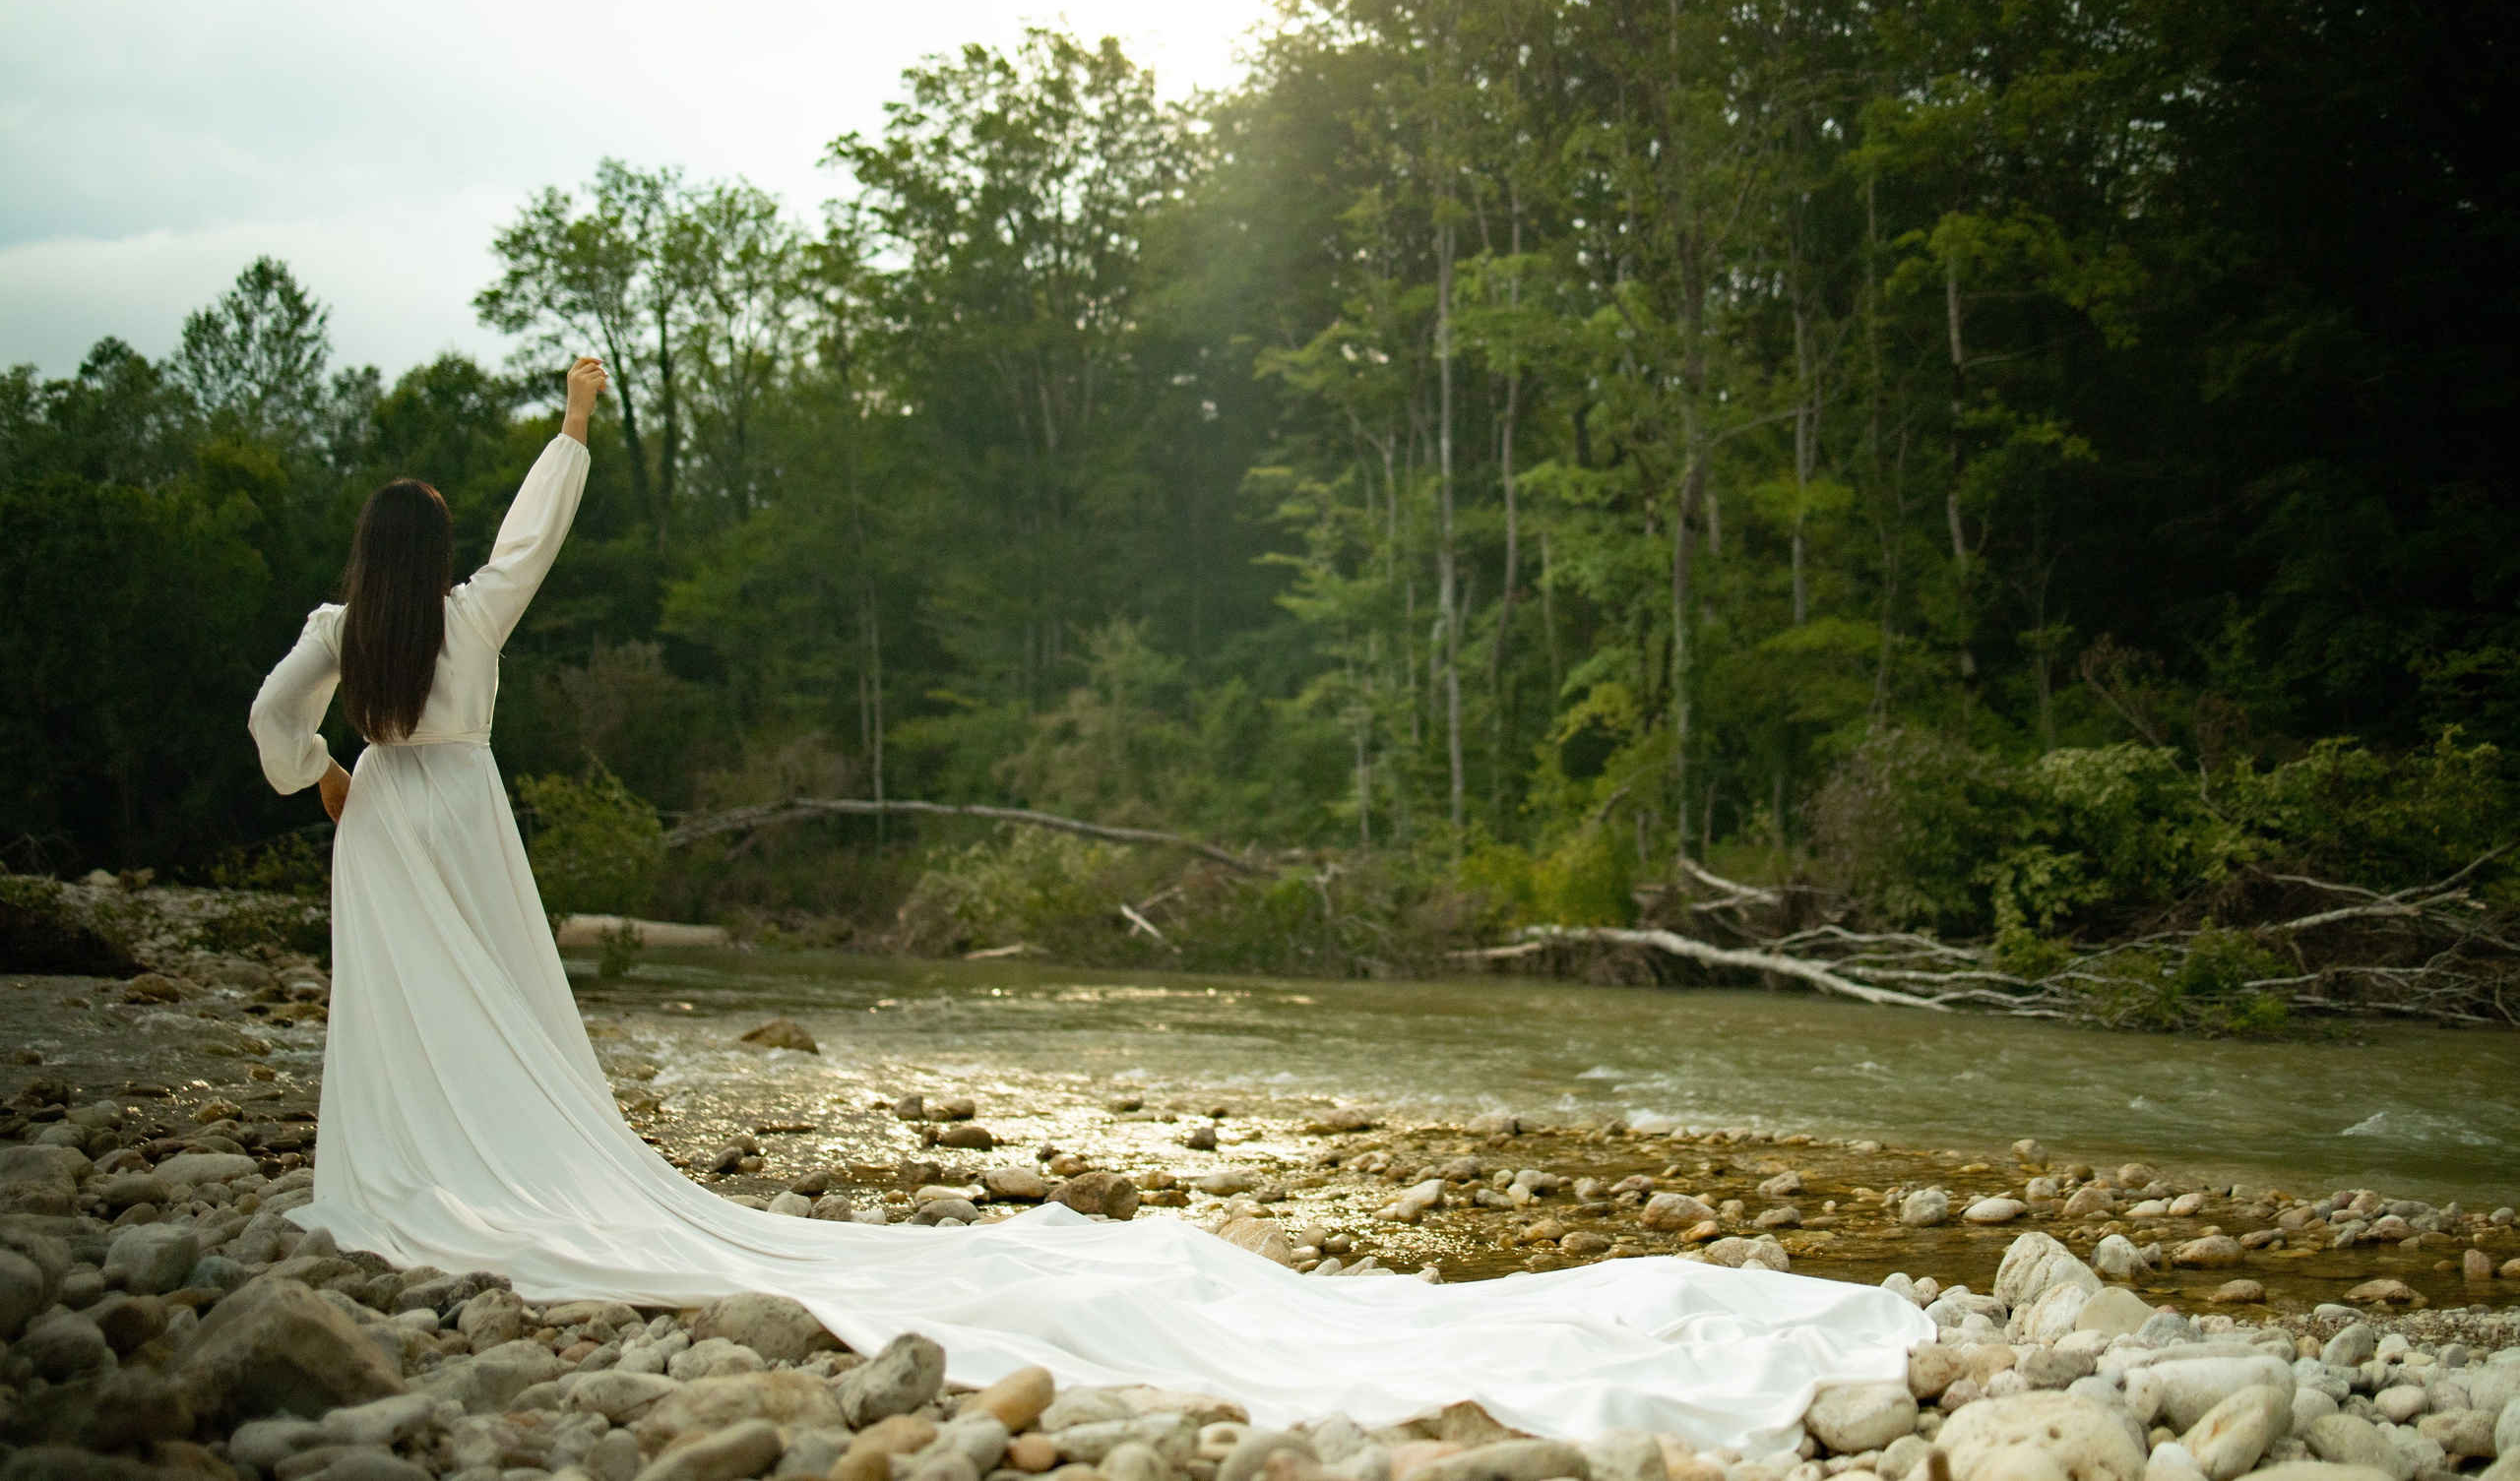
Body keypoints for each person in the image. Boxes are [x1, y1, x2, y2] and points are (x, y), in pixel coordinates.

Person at [248, 355, 1928, 1446]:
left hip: (390, 827)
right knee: (511, 1018)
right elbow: (536, 542)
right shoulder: (467, 618)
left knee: (413, 1023)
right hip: (470, 821)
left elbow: (273, 720)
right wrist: (574, 426)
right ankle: (499, 1164)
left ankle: (414, 1173)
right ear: (434, 551)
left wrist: (320, 781)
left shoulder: (352, 635)